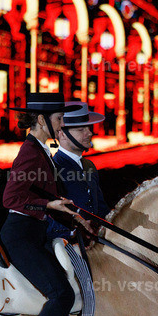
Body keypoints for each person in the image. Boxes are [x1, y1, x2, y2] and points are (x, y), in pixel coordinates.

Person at [1, 92, 93, 316]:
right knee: (62, 294)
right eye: (59, 120)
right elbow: (11, 198)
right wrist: (49, 207)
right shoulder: (30, 152)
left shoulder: (41, 151)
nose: (62, 124)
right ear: (41, 120)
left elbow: (46, 197)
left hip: (37, 233)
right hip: (21, 236)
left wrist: (73, 217)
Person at [46, 102, 109, 243]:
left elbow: (102, 209)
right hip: (68, 245)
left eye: (88, 128)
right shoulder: (52, 168)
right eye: (81, 129)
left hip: (97, 245)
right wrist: (73, 232)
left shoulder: (89, 166)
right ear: (62, 134)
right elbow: (43, 216)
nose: (89, 133)